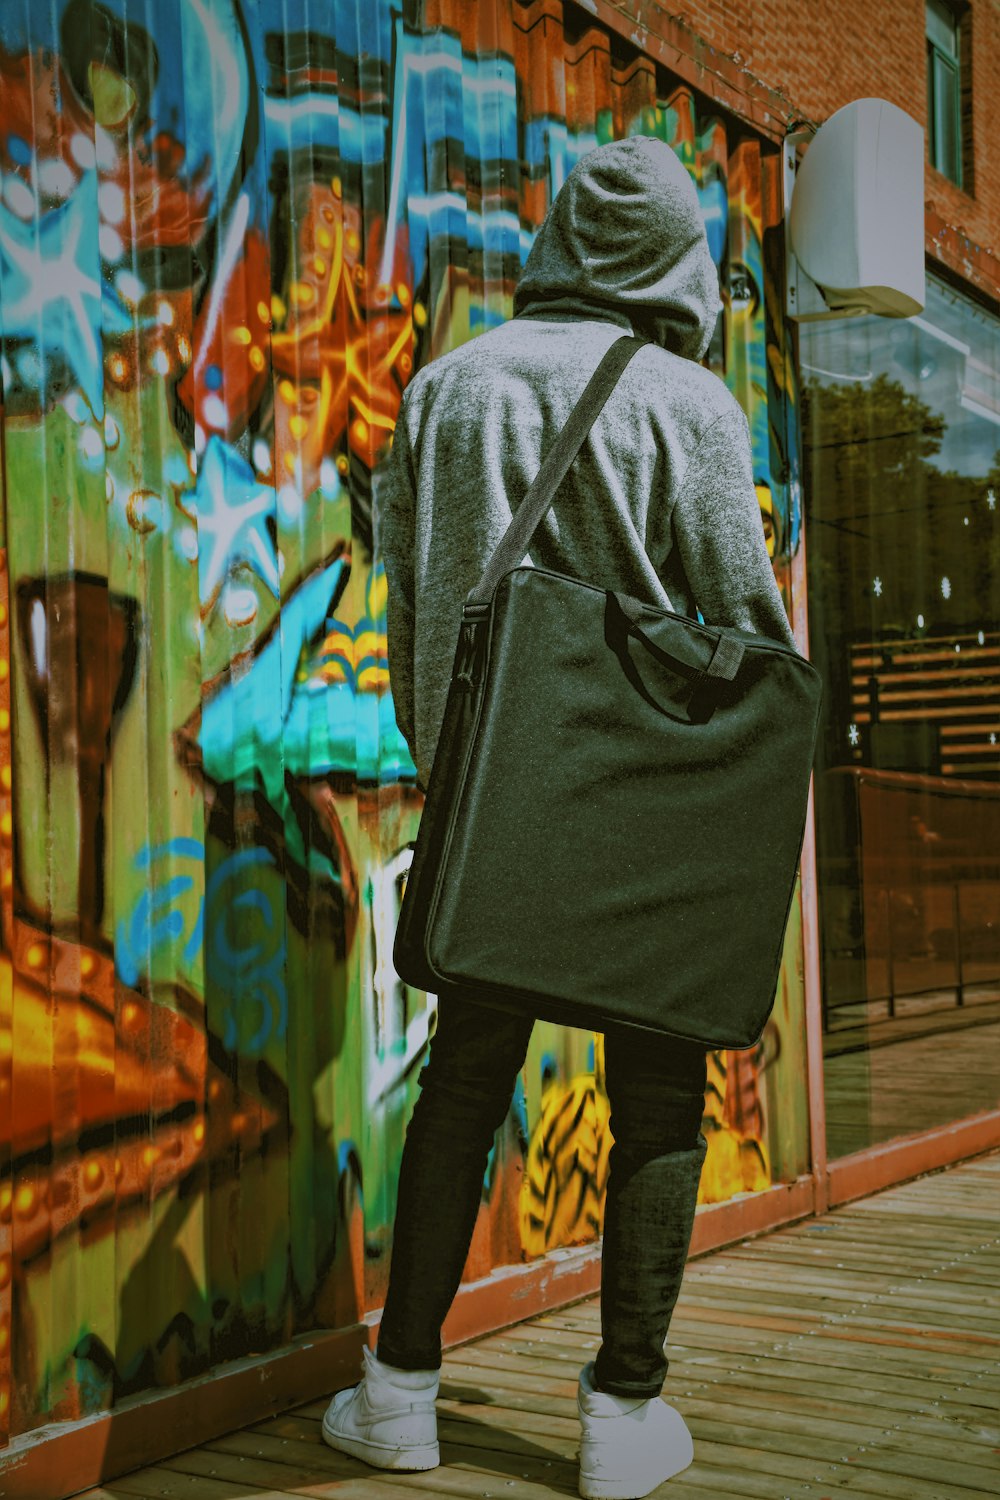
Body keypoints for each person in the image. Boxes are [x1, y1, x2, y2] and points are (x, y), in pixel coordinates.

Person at [321, 136, 798, 1500]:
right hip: (648, 817)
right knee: (661, 1089)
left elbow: (414, 620)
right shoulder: (693, 408)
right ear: (676, 258)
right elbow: (750, 641)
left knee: (462, 1084)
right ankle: (624, 1417)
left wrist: (463, 773)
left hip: (490, 804)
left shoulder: (443, 390)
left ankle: (400, 1390)